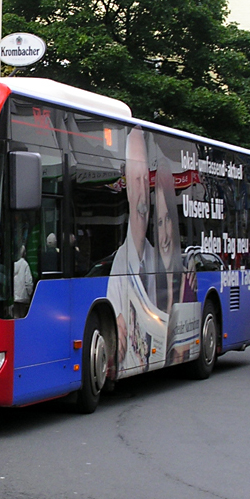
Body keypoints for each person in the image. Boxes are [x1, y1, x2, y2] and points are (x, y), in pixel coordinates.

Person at [107, 127, 157, 371]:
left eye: (145, 179)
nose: (142, 191)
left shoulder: (158, 259)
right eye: (136, 179)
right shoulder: (118, 266)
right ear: (127, 187)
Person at [154, 157, 197, 365]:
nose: (164, 234)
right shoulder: (148, 283)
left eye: (168, 219)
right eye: (159, 222)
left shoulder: (188, 280)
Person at [13, 245, 34, 317]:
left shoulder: (11, 264)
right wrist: (30, 293)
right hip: (23, 296)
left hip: (14, 297)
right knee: (22, 317)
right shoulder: (25, 264)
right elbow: (28, 282)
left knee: (15, 317)